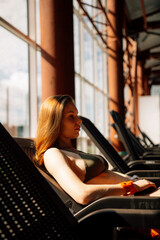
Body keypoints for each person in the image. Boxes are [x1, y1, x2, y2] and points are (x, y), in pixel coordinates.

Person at [35, 95, 160, 239]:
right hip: (129, 205)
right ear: (54, 121)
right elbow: (82, 194)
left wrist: (135, 182)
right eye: (71, 116)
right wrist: (131, 186)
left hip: (138, 196)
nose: (79, 120)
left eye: (77, 115)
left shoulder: (71, 151)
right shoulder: (52, 154)